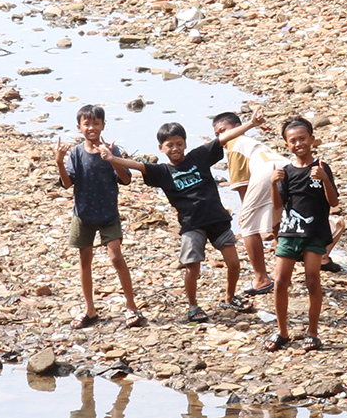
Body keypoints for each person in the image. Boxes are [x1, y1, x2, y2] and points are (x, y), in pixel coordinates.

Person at [98, 107, 267, 323]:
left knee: (234, 263)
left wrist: (251, 124)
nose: (175, 148)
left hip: (218, 220)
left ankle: (230, 296)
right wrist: (113, 159)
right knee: (192, 267)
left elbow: (224, 137)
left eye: (179, 143)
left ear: (185, 143)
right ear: (161, 148)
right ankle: (193, 305)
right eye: (170, 145)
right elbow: (139, 166)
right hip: (192, 226)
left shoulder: (199, 156)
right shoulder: (162, 171)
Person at [213, 113, 346, 283]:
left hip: (269, 171)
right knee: (280, 221)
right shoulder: (254, 143)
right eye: (217, 134)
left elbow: (241, 184)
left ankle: (261, 278)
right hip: (283, 164)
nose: (221, 137)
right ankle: (281, 272)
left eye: (223, 131)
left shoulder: (235, 142)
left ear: (238, 126)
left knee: (247, 225)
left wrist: (244, 210)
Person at [54, 104, 144, 330]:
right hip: (83, 215)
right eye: (87, 124)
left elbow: (125, 180)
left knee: (116, 257)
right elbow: (67, 183)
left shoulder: (112, 151)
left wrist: (112, 159)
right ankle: (90, 310)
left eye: (96, 123)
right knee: (85, 260)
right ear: (79, 127)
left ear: (103, 125)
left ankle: (131, 306)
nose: (92, 127)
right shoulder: (75, 153)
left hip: (108, 214)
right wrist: (59, 162)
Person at [265, 117, 339, 352]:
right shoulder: (285, 171)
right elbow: (278, 206)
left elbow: (334, 202)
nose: (298, 144)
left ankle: (313, 332)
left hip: (315, 233)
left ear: (312, 139)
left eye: (302, 139)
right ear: (287, 145)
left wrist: (324, 178)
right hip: (289, 232)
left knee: (312, 280)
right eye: (293, 140)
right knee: (280, 282)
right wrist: (272, 184)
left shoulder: (321, 167)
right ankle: (282, 331)